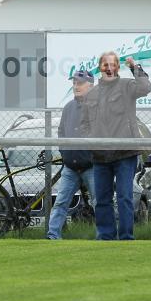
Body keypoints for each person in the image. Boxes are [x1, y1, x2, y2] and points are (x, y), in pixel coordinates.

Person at [80, 51, 151, 241]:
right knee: (101, 199)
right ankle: (105, 236)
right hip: (100, 155)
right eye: (105, 65)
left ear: (117, 67)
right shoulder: (91, 94)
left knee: (124, 198)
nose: (109, 68)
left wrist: (134, 67)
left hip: (125, 153)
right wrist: (91, 139)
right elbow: (85, 124)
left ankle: (126, 237)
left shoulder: (128, 86)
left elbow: (145, 88)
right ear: (99, 67)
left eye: (113, 64)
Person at [47, 70, 96, 240]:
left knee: (100, 203)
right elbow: (61, 132)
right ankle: (53, 236)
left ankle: (106, 235)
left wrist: (93, 155)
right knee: (60, 202)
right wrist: (64, 152)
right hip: (70, 167)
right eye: (74, 83)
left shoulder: (98, 106)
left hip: (92, 167)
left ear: (91, 85)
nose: (76, 86)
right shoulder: (68, 107)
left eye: (80, 83)